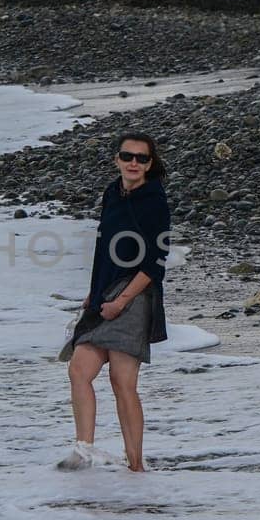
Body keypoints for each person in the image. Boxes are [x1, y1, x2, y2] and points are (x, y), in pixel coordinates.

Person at [57, 132, 170, 472]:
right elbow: (104, 247)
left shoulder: (154, 201)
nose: (134, 163)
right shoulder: (112, 193)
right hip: (105, 293)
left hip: (134, 296)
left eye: (142, 158)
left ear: (150, 164)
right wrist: (96, 290)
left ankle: (136, 466)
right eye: (128, 156)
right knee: (79, 369)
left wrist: (121, 301)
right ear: (117, 159)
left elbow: (155, 264)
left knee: (122, 382)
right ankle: (84, 451)